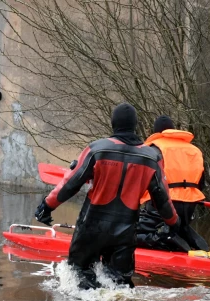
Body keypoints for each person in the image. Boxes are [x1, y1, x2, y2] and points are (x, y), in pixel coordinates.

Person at [34, 103, 180, 289]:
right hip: (125, 232)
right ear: (135, 125)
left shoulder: (97, 149)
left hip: (91, 227)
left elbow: (71, 183)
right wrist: (173, 223)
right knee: (119, 285)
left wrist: (47, 206)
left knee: (78, 278)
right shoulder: (152, 157)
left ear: (113, 124)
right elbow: (162, 199)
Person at [136, 115, 209, 252]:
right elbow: (201, 184)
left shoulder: (154, 148)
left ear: (156, 132)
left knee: (128, 234)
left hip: (163, 205)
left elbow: (143, 182)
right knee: (177, 225)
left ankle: (162, 237)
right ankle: (183, 235)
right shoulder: (194, 150)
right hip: (189, 206)